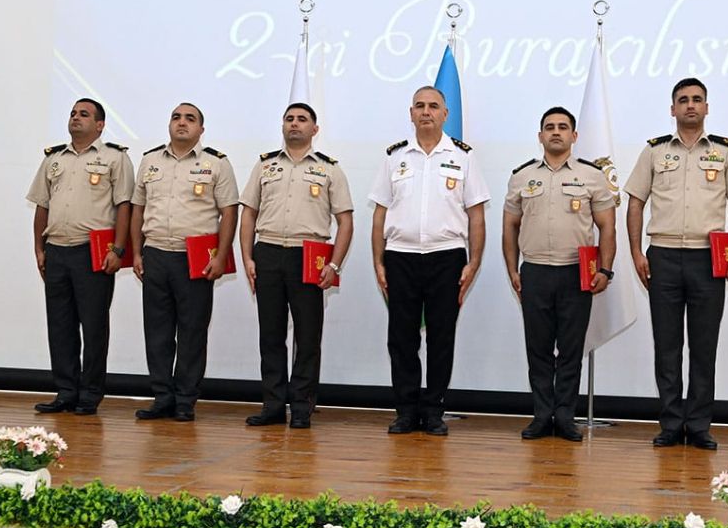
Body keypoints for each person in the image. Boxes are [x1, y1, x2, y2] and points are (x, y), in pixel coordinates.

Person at [625, 77, 728, 450]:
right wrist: (636, 252)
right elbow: (635, 202)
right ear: (673, 109)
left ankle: (698, 425)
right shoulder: (654, 151)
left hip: (708, 259)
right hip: (663, 255)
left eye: (697, 99)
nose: (690, 105)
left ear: (706, 107)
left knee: (703, 346)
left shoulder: (725, 151)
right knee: (667, 346)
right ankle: (670, 423)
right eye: (683, 100)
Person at [369, 86, 490, 435]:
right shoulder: (394, 157)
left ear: (445, 114)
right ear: (411, 113)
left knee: (441, 338)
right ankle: (406, 411)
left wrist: (473, 262)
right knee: (401, 338)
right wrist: (378, 261)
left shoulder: (463, 157)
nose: (426, 112)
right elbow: (379, 215)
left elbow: (476, 216)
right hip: (400, 256)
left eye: (433, 106)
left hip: (447, 257)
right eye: (420, 106)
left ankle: (434, 411)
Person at [502, 106, 616, 442]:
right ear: (540, 136)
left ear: (574, 136)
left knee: (570, 350)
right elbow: (509, 227)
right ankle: (541, 416)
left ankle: (565, 416)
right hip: (535, 271)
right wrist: (512, 269)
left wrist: (605, 269)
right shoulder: (522, 176)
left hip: (575, 273)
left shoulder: (592, 175)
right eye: (549, 127)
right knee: (538, 350)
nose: (556, 132)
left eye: (563, 127)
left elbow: (607, 227)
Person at [239, 102, 354, 429]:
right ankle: (273, 406)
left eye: (302, 119)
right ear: (282, 125)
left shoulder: (329, 169)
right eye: (289, 119)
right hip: (268, 250)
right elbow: (248, 213)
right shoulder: (265, 165)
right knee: (271, 335)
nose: (294, 124)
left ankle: (302, 407)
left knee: (307, 336)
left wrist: (335, 265)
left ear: (314, 129)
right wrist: (247, 257)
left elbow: (345, 222)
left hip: (309, 255)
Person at [129, 103, 239, 422]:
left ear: (201, 129)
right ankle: (162, 396)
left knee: (192, 332)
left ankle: (185, 400)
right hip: (156, 254)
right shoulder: (150, 160)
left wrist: (221, 255)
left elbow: (229, 212)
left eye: (190, 119)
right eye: (176, 117)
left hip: (195, 258)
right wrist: (136, 253)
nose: (182, 122)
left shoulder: (217, 163)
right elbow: (137, 209)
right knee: (158, 332)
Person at [26, 98, 135, 415]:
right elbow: (42, 205)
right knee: (60, 325)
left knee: (94, 326)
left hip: (93, 252)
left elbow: (124, 206)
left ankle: (90, 394)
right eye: (73, 113)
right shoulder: (53, 159)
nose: (76, 117)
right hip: (57, 249)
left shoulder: (115, 158)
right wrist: (39, 248)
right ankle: (65, 391)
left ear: (100, 125)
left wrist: (118, 249)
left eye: (84, 114)